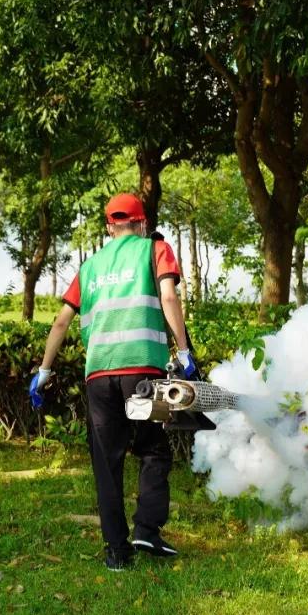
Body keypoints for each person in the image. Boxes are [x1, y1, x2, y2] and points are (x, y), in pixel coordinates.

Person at [28, 193, 195, 572]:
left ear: (109, 226)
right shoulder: (155, 250)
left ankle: (117, 553)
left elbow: (60, 322)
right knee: (153, 449)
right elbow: (168, 297)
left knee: (107, 463)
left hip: (98, 376)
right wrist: (184, 352)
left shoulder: (90, 267)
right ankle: (147, 530)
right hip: (143, 372)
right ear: (141, 222)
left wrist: (44, 370)